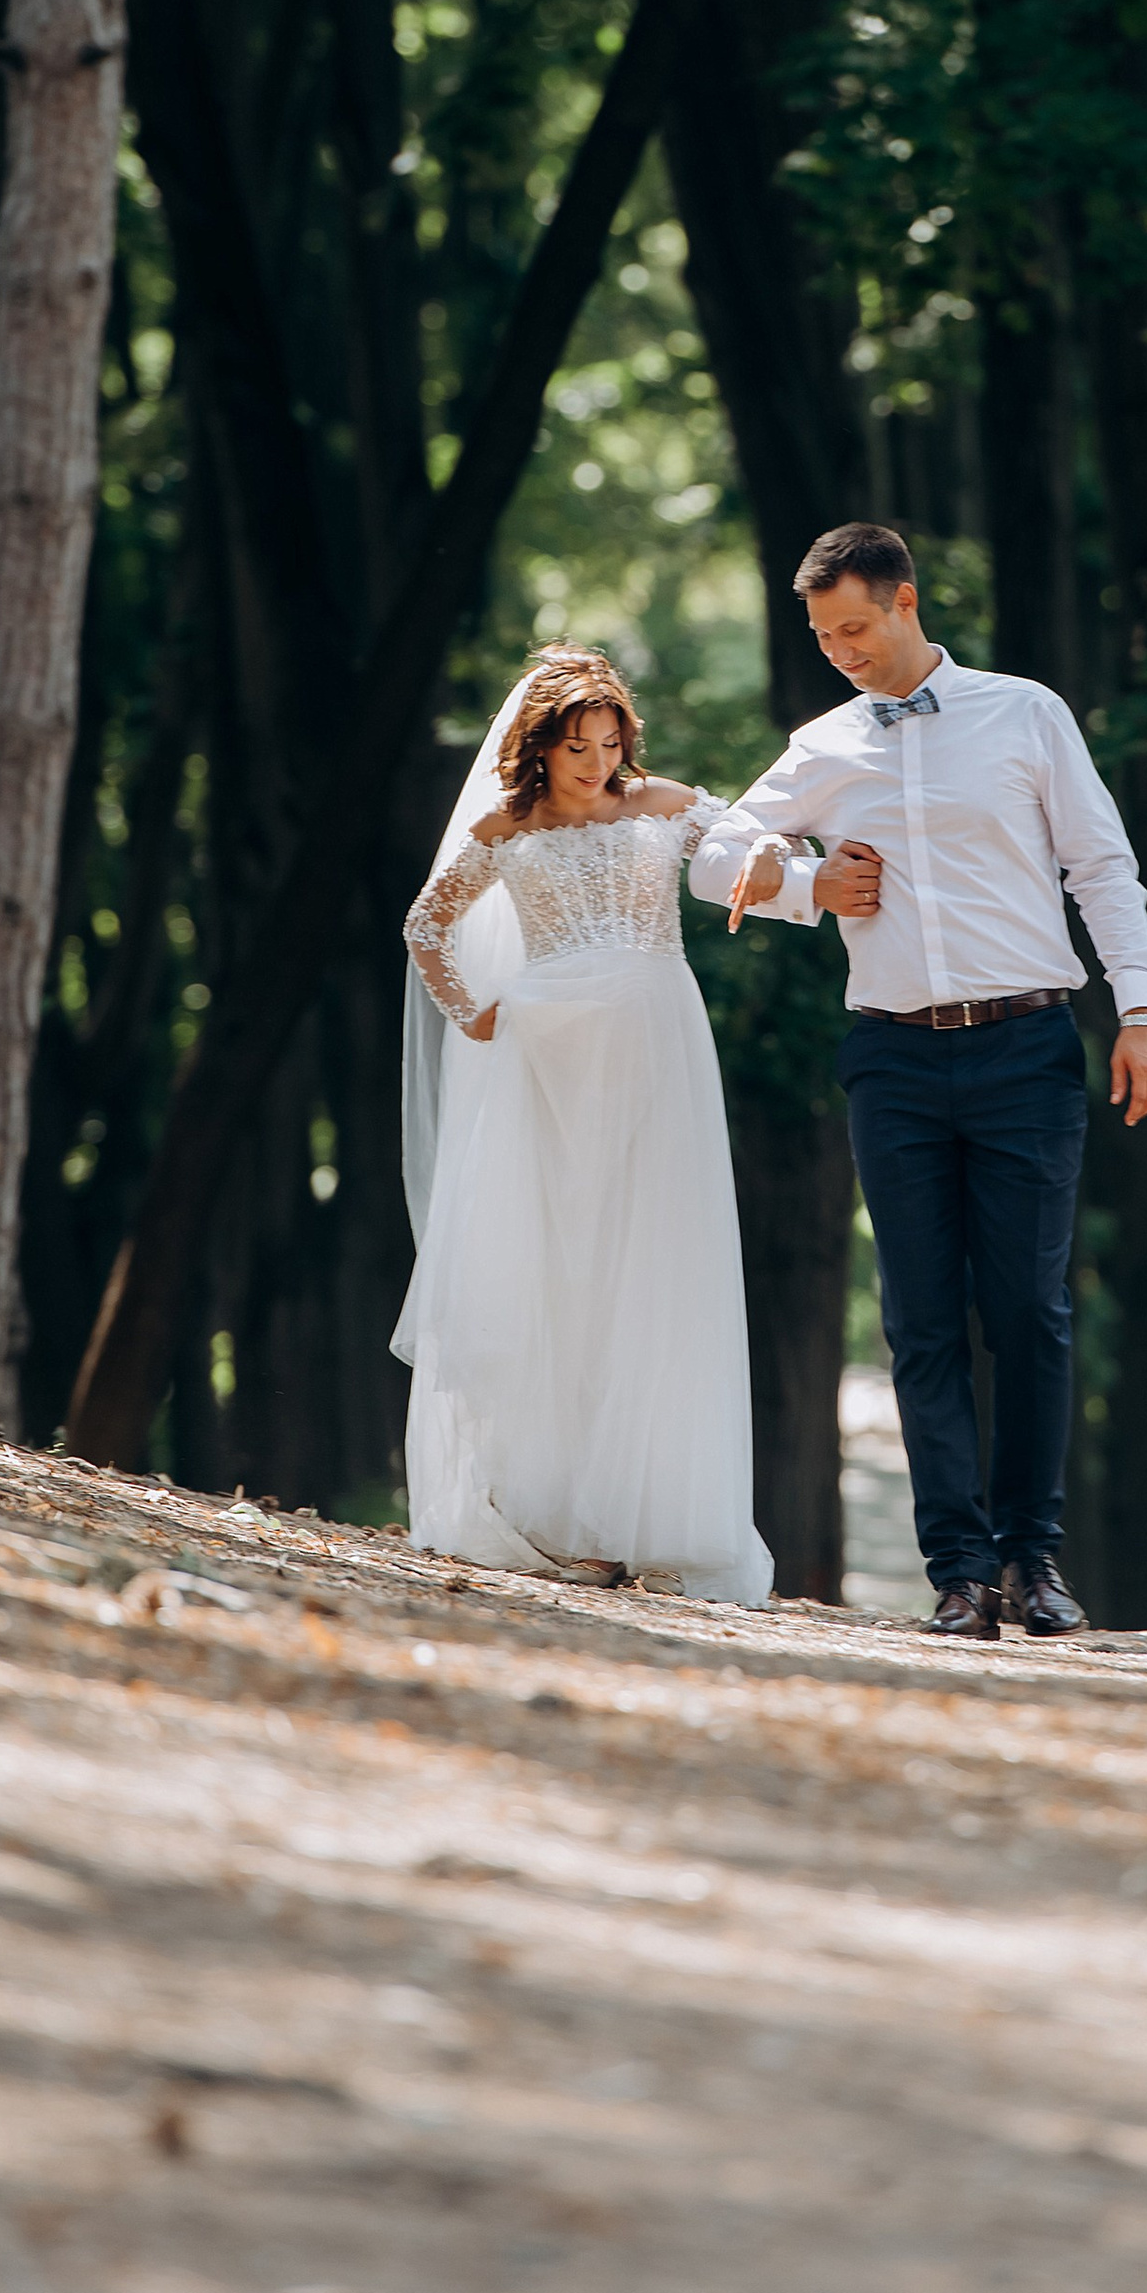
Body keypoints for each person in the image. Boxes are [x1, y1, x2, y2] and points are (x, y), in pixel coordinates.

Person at [690, 527, 1147, 1641]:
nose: (841, 651)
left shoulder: (1026, 713)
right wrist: (808, 887)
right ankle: (956, 1573)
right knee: (919, 1322)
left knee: (1030, 1312)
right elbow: (714, 855)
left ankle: (1032, 1560)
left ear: (906, 602)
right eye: (824, 637)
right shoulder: (822, 745)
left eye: (855, 627)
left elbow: (1102, 866)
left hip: (1026, 1047)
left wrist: (1141, 1012)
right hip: (893, 1059)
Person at [396, 645, 773, 1606]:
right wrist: (469, 1013)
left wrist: (781, 865)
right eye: (578, 748)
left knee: (657, 1265)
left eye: (610, 744)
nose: (598, 764)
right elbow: (425, 926)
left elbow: (750, 847)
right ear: (540, 747)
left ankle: (657, 1518)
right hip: (550, 1058)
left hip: (657, 1045)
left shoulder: (662, 805)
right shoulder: (505, 826)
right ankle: (573, 1521)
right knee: (564, 1273)